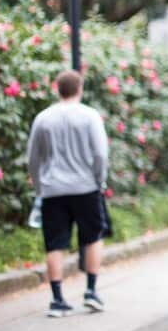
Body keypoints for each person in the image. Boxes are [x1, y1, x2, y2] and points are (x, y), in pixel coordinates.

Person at [26, 70, 110, 317]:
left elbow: (33, 157)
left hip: (52, 189)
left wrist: (40, 186)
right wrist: (99, 180)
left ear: (57, 89)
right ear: (79, 89)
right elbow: (100, 154)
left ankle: (57, 300)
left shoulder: (43, 118)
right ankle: (91, 292)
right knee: (92, 237)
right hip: (86, 187)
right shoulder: (89, 117)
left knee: (55, 243)